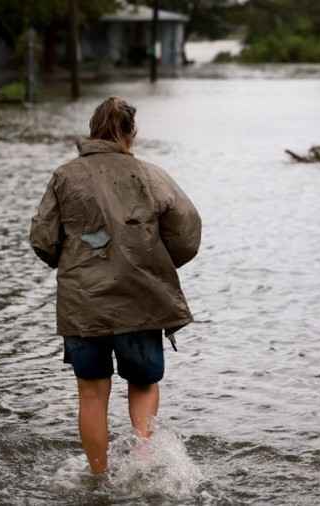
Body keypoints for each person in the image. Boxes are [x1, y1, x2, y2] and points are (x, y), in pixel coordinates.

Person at [29, 96, 202, 474]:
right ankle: (143, 468)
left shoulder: (64, 176)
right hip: (141, 300)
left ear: (92, 131)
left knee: (91, 393)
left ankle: (97, 477)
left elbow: (43, 240)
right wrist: (153, 262)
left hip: (83, 304)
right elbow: (187, 233)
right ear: (131, 133)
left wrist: (76, 262)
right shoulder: (150, 175)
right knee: (142, 384)